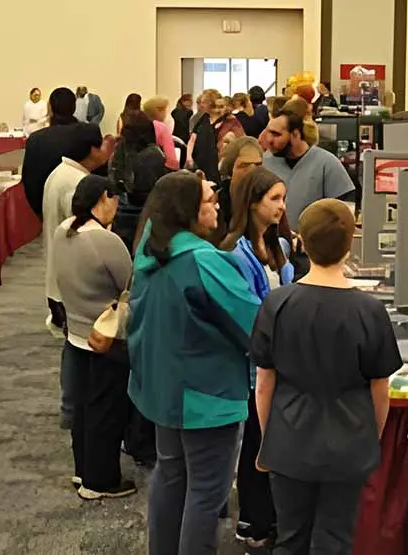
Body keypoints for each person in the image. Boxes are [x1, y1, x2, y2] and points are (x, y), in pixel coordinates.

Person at [251, 198, 400, 555]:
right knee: (336, 541)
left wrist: (268, 440)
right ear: (350, 244)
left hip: (289, 439)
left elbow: (264, 384)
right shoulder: (370, 310)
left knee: (290, 538)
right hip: (349, 443)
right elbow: (381, 390)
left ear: (303, 241)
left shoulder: (278, 304)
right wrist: (371, 439)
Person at [127, 170, 261, 555]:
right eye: (208, 199)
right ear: (187, 209)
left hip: (162, 391)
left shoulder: (149, 254)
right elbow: (253, 326)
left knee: (171, 478)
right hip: (208, 397)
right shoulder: (204, 261)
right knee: (206, 494)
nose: (217, 203)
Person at [217, 166, 294, 548]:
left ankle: (268, 515)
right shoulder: (234, 251)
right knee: (254, 445)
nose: (282, 206)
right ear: (252, 203)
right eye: (274, 199)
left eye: (283, 198)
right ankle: (252, 520)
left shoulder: (278, 245)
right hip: (252, 365)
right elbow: (249, 313)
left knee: (270, 442)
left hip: (278, 359)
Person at [52, 175, 137, 500]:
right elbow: (129, 285)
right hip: (107, 336)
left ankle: (83, 469)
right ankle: (100, 480)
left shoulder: (65, 230)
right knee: (106, 411)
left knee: (84, 410)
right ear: (105, 197)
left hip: (76, 331)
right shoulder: (105, 241)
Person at [42, 124, 111, 423]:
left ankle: (72, 408)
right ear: (92, 150)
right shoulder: (76, 183)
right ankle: (72, 410)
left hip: (60, 275)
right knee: (78, 347)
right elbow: (81, 230)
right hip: (72, 279)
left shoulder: (60, 174)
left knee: (75, 346)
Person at [262, 111, 355, 225]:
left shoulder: (326, 163)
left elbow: (344, 211)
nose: (270, 140)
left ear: (295, 134)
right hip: (271, 239)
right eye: (269, 133)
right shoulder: (264, 162)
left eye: (276, 134)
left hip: (312, 240)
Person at [110, 112, 171, 254]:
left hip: (121, 211)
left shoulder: (120, 148)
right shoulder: (154, 155)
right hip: (144, 212)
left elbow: (115, 175)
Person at [21, 87, 85, 218]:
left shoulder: (36, 140)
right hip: (82, 210)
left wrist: (39, 211)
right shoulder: (88, 134)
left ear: (50, 108)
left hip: (45, 210)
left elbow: (29, 182)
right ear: (74, 107)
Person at [142, 96, 180, 170]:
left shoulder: (138, 124)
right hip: (157, 168)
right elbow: (170, 156)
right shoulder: (162, 128)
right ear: (159, 111)